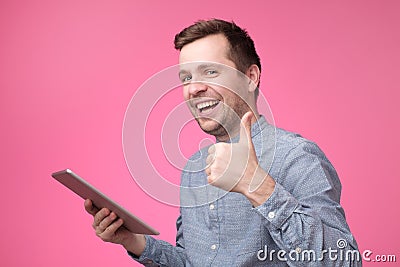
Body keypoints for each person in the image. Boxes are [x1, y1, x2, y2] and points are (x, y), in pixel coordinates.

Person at [84, 19, 360, 266]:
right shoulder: (195, 168)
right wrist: (133, 240)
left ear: (250, 77)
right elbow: (193, 261)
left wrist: (258, 187)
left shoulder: (298, 157)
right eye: (186, 78)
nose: (193, 88)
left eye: (210, 72)